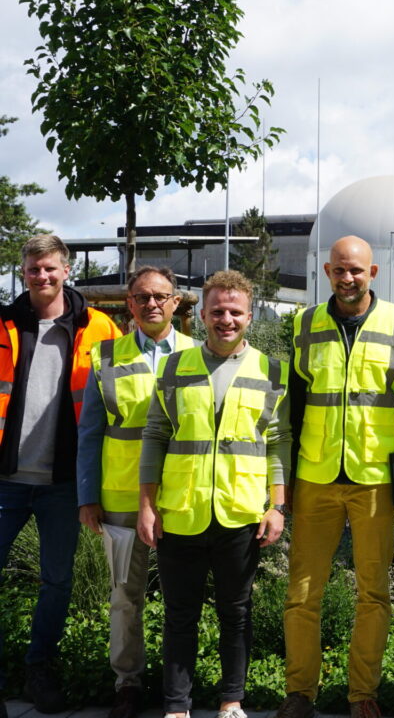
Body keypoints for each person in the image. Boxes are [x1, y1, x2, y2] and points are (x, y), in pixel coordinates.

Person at [277, 235, 394, 718]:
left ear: (373, 274)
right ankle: (300, 693)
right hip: (315, 476)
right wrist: (288, 483)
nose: (348, 279)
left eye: (356, 271)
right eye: (340, 270)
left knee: (373, 592)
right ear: (327, 272)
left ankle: (363, 694)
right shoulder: (304, 325)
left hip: (374, 479)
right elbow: (293, 411)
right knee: (302, 593)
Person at [137, 270, 290, 718]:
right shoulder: (174, 367)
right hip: (181, 512)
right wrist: (148, 505)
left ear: (250, 316)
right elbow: (155, 435)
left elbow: (278, 442)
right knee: (179, 617)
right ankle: (177, 707)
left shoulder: (270, 371)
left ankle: (231, 701)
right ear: (201, 314)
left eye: (235, 312)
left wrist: (277, 506)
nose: (226, 319)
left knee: (235, 614)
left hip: (240, 514)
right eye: (217, 311)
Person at [0, 234, 119, 715]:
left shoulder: (100, 327)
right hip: (5, 479)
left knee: (57, 581)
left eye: (50, 268)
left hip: (63, 483)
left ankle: (39, 666)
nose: (41, 276)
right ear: (23, 272)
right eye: (33, 269)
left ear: (66, 271)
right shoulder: (4, 323)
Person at [77, 266, 195, 718]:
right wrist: (88, 497)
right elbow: (90, 432)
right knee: (125, 598)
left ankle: (178, 690)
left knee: (182, 600)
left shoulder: (197, 353)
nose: (152, 304)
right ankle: (127, 684)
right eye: (142, 297)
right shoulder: (106, 357)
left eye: (161, 296)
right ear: (129, 304)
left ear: (176, 302)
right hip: (123, 499)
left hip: (182, 496)